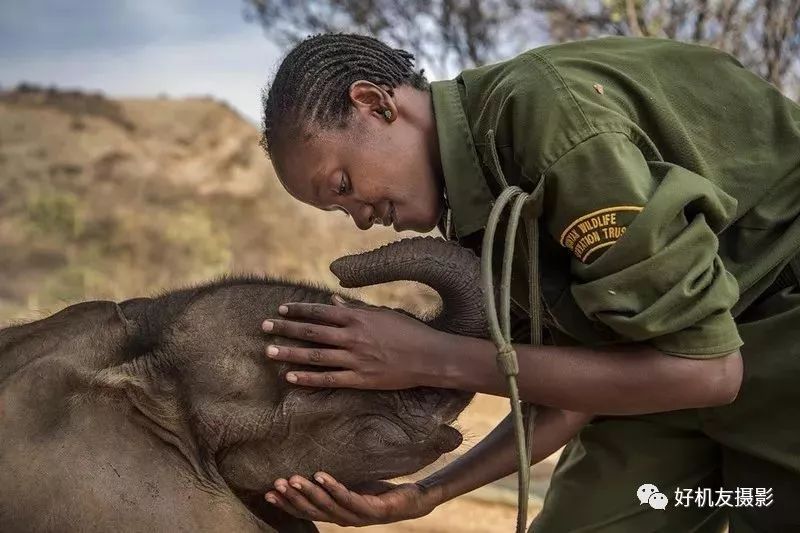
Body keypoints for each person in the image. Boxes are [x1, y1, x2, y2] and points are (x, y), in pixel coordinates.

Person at [256, 33, 800, 531]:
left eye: (344, 184)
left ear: (376, 105)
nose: (359, 218)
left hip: (776, 320)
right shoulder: (477, 208)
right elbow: (569, 388)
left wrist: (428, 356)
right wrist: (426, 494)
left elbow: (709, 372)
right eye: (337, 208)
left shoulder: (547, 124)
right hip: (665, 365)